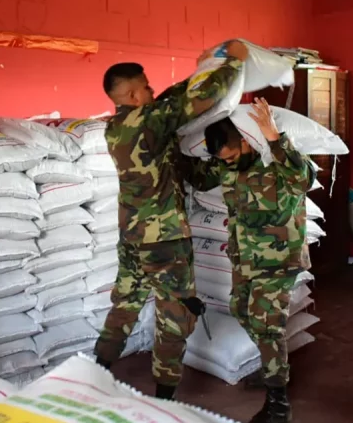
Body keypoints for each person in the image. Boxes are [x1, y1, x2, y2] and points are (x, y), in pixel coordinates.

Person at [94, 40, 249, 400]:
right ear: (133, 95)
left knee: (126, 303)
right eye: (146, 86)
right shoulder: (148, 121)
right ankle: (164, 395)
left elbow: (165, 103)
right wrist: (231, 66)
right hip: (163, 239)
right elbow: (197, 101)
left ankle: (96, 370)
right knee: (175, 313)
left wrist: (196, 71)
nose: (151, 90)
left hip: (132, 236)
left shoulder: (119, 126)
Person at [182, 99, 315, 423]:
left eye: (231, 154)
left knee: (267, 326)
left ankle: (278, 404)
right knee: (243, 311)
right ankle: (276, 368)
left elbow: (304, 179)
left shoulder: (278, 161)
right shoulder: (227, 166)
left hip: (278, 260)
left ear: (245, 139)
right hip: (244, 258)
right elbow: (199, 178)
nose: (228, 161)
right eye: (222, 158)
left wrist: (274, 138)